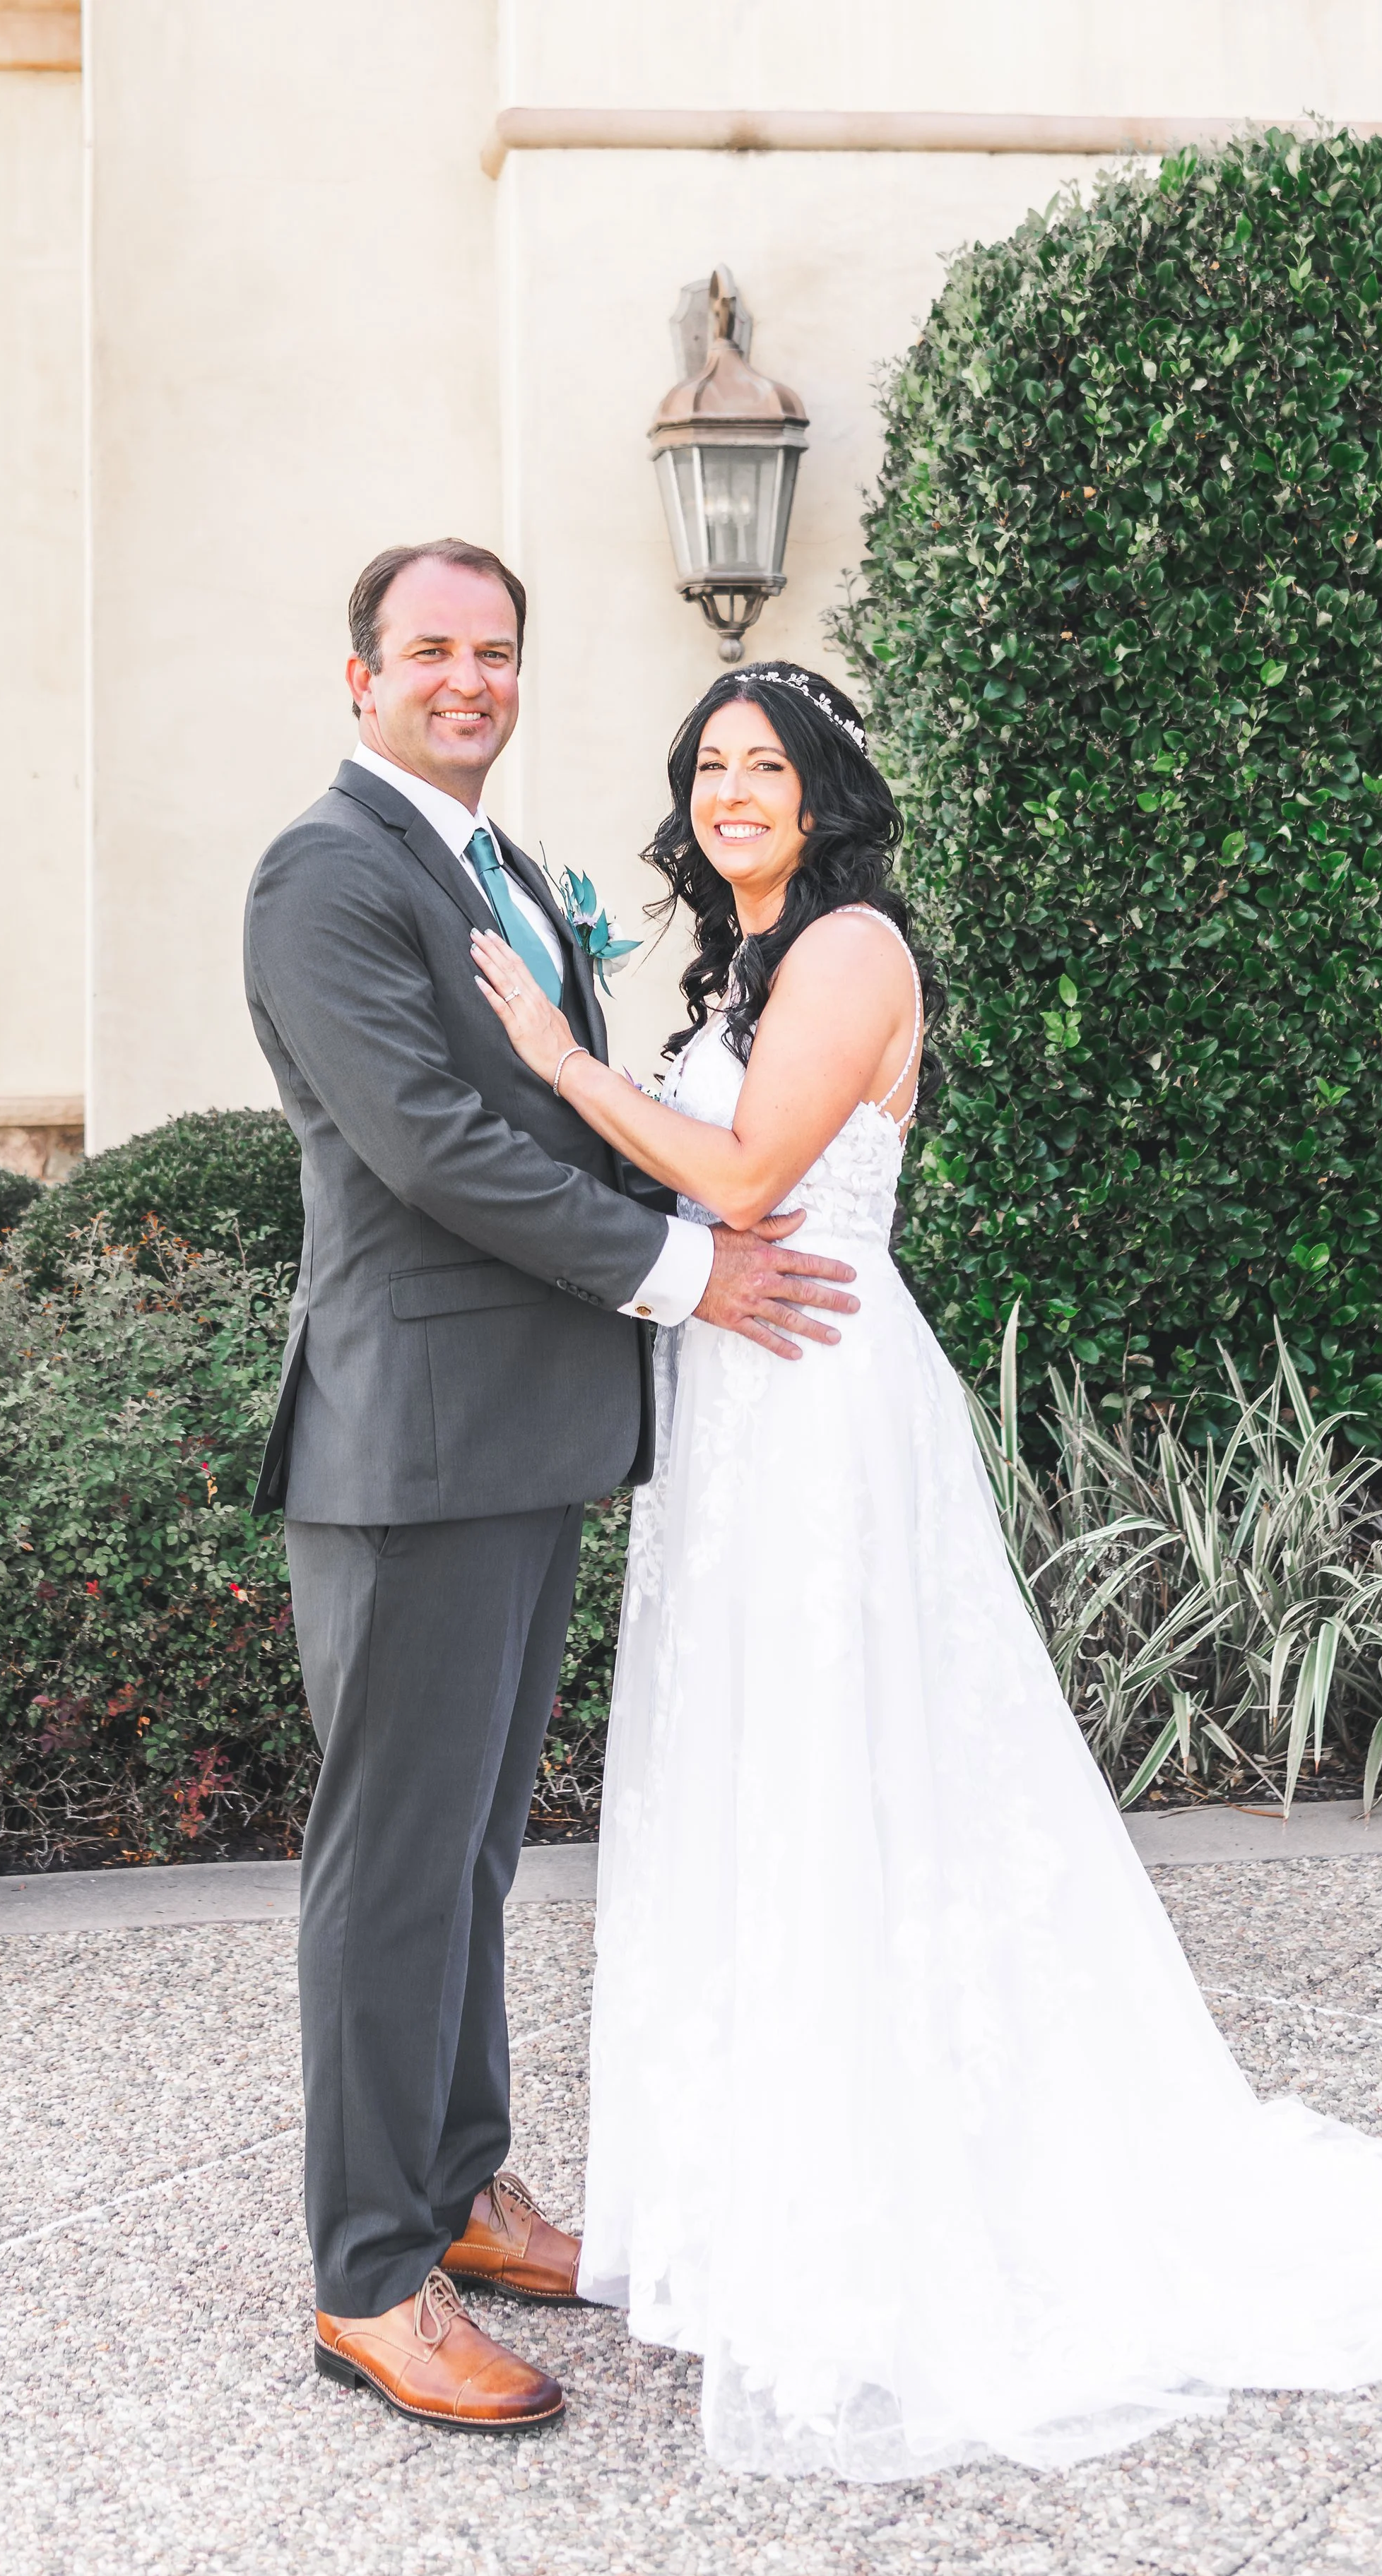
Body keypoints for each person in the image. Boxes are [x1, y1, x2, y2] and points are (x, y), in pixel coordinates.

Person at [473, 658, 1382, 2481]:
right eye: (709, 767)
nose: (731, 793)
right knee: (742, 1770)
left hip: (822, 1404)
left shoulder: (852, 949)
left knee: (850, 1770)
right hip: (727, 1402)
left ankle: (881, 2209)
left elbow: (753, 1164)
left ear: (830, 790)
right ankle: (752, 2194)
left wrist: (555, 1061)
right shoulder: (726, 964)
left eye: (767, 765)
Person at [242, 545, 859, 2435]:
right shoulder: (326, 874)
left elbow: (567, 1096)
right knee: (394, 1862)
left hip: (521, 1432)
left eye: (494, 650)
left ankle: (463, 2182)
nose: (467, 677)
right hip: (411, 1446)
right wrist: (685, 1274)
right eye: (429, 649)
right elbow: (428, 1147)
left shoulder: (499, 870)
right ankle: (368, 2272)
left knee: (478, 1852)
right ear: (358, 676)